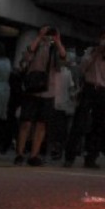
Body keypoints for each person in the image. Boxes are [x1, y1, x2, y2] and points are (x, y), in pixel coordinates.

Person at [66, 28, 105, 168]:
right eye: (104, 38)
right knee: (79, 122)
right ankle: (70, 156)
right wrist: (96, 53)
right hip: (89, 88)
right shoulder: (90, 51)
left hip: (103, 92)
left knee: (98, 126)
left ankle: (91, 157)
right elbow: (82, 69)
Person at [18, 26, 67, 166]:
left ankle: (34, 154)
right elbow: (27, 56)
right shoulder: (35, 45)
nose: (48, 35)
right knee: (26, 122)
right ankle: (20, 153)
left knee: (41, 124)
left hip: (48, 90)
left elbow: (64, 58)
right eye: (46, 32)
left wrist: (57, 41)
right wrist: (39, 37)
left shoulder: (55, 48)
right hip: (32, 89)